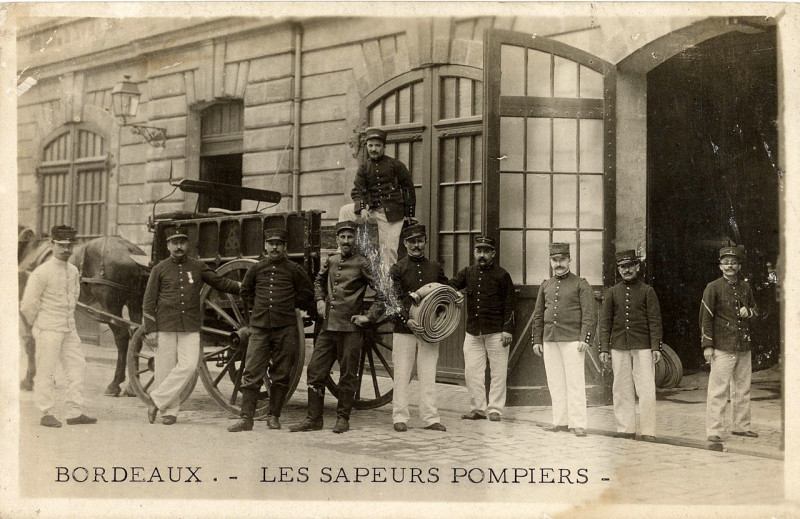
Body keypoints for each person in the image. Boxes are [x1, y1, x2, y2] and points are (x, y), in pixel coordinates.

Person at [290, 221, 383, 434]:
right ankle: (314, 419)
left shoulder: (363, 263)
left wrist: (368, 317)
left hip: (351, 330)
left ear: (355, 239)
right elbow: (318, 282)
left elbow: (383, 293)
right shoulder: (331, 261)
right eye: (342, 237)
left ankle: (343, 419)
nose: (346, 241)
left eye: (350, 237)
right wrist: (320, 299)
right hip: (328, 328)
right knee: (315, 370)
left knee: (348, 375)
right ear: (337, 240)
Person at [142, 226, 241, 425]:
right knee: (164, 369)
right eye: (174, 243)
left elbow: (220, 282)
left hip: (190, 325)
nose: (179, 246)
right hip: (165, 325)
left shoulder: (197, 266)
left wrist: (243, 286)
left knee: (188, 366)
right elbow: (148, 301)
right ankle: (169, 412)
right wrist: (151, 329)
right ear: (168, 245)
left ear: (187, 244)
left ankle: (156, 399)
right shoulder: (159, 269)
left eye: (182, 242)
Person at [227, 228, 315, 432]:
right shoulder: (256, 269)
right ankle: (246, 418)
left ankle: (273, 416)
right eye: (271, 243)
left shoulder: (294, 269)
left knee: (282, 373)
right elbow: (245, 292)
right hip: (259, 329)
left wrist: (288, 304)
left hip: (285, 328)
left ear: (284, 247)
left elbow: (307, 293)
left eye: (279, 244)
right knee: (251, 371)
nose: (275, 247)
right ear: (265, 246)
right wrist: (259, 310)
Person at [20, 225, 97, 428]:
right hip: (48, 328)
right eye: (61, 245)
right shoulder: (41, 272)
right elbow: (28, 305)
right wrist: (38, 325)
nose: (66, 250)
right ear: (51, 244)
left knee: (78, 367)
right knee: (46, 371)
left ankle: (74, 412)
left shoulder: (72, 271)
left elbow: (74, 297)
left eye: (69, 246)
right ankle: (46, 412)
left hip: (68, 328)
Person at [388, 224, 449, 432]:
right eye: (412, 241)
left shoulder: (435, 268)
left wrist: (448, 307)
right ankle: (400, 417)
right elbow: (393, 300)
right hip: (404, 329)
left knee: (428, 373)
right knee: (402, 374)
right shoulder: (397, 269)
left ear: (425, 241)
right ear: (405, 244)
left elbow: (445, 294)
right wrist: (407, 320)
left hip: (429, 331)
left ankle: (431, 418)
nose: (416, 245)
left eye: (419, 240)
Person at [531, 242, 596, 437]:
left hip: (573, 340)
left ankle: (578, 424)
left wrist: (585, 338)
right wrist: (537, 339)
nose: (558, 263)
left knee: (575, 382)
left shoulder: (581, 284)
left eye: (562, 259)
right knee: (555, 382)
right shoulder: (546, 285)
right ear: (550, 261)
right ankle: (559, 421)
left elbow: (590, 314)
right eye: (554, 260)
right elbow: (538, 314)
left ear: (569, 260)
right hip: (550, 340)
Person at [599, 250, 663, 442]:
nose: (626, 270)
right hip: (619, 346)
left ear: (637, 267)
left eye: (629, 266)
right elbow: (605, 322)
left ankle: (648, 430)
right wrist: (603, 348)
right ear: (618, 269)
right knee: (621, 387)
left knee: (646, 388)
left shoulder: (647, 291)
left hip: (643, 345)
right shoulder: (612, 292)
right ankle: (625, 428)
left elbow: (655, 320)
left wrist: (655, 347)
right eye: (622, 267)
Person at [450, 236, 515, 422]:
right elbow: (450, 286)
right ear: (474, 252)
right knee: (472, 373)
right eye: (479, 251)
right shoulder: (468, 273)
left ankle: (495, 409)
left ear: (493, 253)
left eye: (486, 251)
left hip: (497, 333)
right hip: (473, 332)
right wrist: (454, 293)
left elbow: (510, 304)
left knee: (498, 373)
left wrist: (507, 329)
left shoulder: (502, 275)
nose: (482, 255)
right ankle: (478, 409)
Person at [701, 245, 759, 443]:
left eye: (733, 262)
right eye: (725, 263)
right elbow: (706, 318)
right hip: (722, 347)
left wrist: (749, 312)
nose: (729, 266)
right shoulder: (713, 287)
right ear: (720, 266)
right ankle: (714, 430)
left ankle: (741, 426)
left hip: (743, 346)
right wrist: (707, 346)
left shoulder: (745, 287)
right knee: (718, 390)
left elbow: (756, 311)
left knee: (742, 388)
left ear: (739, 265)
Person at [338, 127, 416, 271]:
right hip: (372, 210)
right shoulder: (364, 168)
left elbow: (408, 189)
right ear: (367, 146)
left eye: (378, 145)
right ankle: (342, 249)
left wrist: (409, 215)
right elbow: (357, 191)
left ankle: (388, 288)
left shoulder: (396, 165)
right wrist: (361, 208)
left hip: (392, 215)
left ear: (384, 147)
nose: (374, 149)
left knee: (388, 252)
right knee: (345, 210)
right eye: (371, 145)